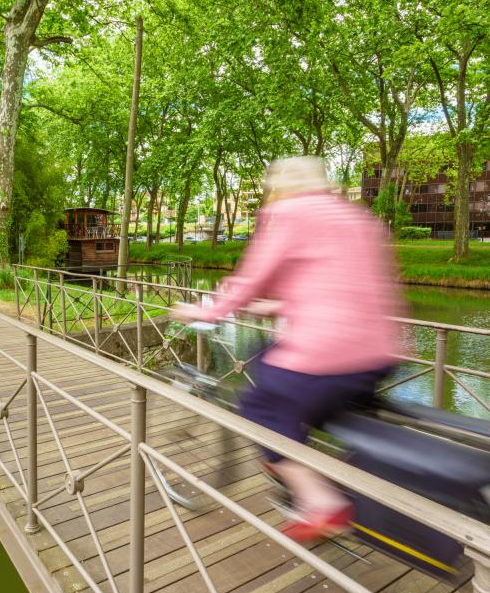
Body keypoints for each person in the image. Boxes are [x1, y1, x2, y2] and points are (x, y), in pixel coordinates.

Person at [172, 156, 403, 542]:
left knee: (258, 406)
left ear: (279, 187)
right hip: (379, 354)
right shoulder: (357, 217)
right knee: (273, 364)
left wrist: (206, 310)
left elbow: (252, 276)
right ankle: (315, 465)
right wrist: (280, 306)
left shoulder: (288, 213)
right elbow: (345, 285)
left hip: (326, 355)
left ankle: (320, 501)